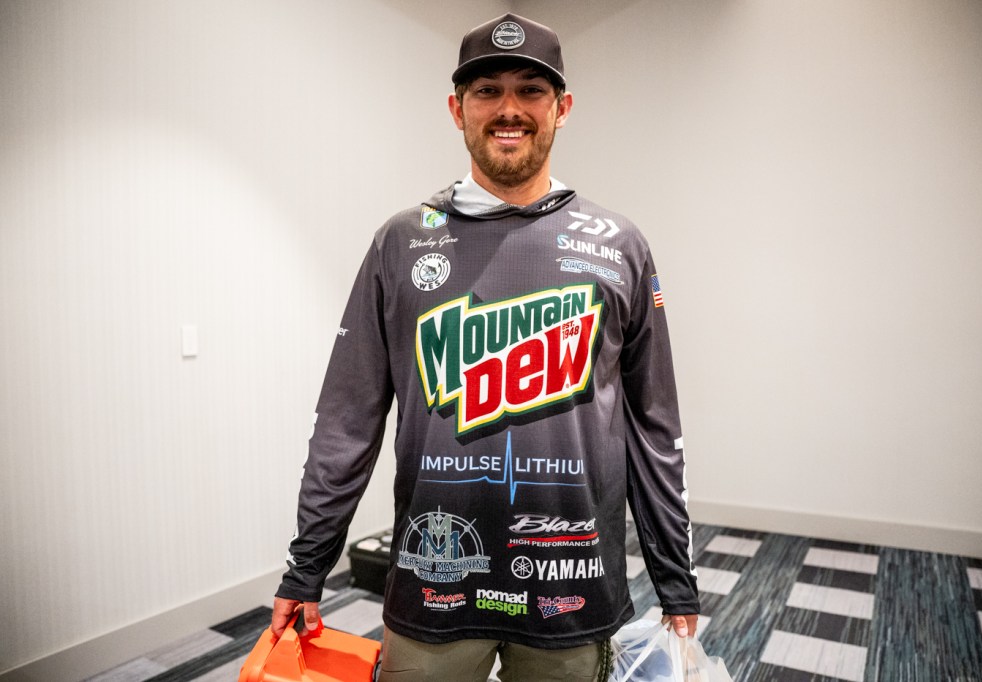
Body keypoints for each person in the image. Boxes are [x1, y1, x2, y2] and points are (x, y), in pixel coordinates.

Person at [271, 13, 699, 681]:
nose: (509, 109)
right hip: (433, 580)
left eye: (531, 90)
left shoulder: (620, 245)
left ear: (563, 108)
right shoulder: (401, 242)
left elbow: (654, 428)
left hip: (571, 586)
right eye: (487, 90)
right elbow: (346, 421)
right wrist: (308, 566)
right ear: (457, 109)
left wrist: (675, 579)